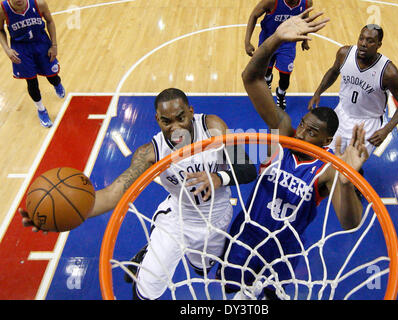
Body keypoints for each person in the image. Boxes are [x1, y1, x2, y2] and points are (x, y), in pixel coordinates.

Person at [20, 88, 257, 300]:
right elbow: (113, 194)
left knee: (202, 269)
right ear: (157, 120)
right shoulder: (150, 153)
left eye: (181, 118)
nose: (175, 127)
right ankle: (146, 259)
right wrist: (62, 217)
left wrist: (218, 178)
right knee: (148, 289)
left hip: (216, 219)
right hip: (177, 219)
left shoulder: (212, 127)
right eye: (166, 121)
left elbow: (248, 169)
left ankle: (151, 253)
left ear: (191, 112)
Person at [219, 9, 369, 300]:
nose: (301, 133)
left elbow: (350, 223)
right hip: (244, 238)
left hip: (282, 251)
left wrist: (347, 181)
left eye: (311, 132)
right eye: (303, 125)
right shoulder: (285, 136)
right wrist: (275, 39)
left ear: (328, 140)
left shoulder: (327, 168)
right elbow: (251, 78)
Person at [307, 24, 398, 155]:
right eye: (361, 38)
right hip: (341, 113)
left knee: (351, 166)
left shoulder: (389, 73)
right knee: (326, 158)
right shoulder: (344, 54)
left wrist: (386, 129)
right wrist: (318, 92)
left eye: (370, 41)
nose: (363, 44)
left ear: (379, 44)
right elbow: (333, 72)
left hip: (367, 124)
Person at [0, 0, 65, 128]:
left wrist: (54, 45)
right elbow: (0, 30)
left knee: (52, 77)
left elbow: (50, 21)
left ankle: (57, 84)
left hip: (41, 44)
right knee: (31, 82)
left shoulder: (39, 3)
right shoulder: (2, 9)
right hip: (21, 49)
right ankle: (41, 110)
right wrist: (7, 49)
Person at [244, 0, 312, 110]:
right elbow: (254, 15)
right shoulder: (271, 2)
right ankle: (268, 80)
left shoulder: (306, 3)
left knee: (285, 79)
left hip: (287, 44)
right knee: (266, 71)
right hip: (268, 41)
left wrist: (305, 39)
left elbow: (305, 19)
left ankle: (280, 93)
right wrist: (247, 41)